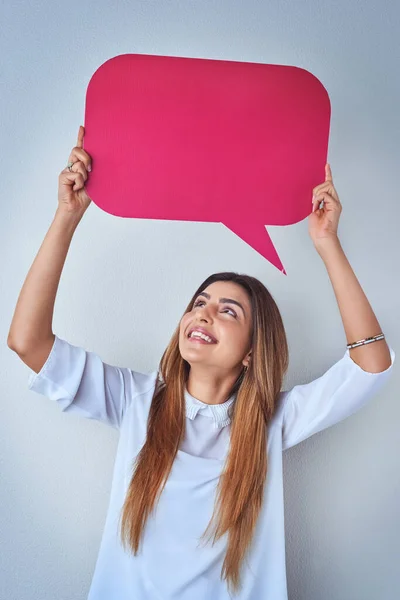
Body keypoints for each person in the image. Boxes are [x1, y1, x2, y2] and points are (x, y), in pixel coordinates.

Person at [7, 125, 395, 600]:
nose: (204, 312)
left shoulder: (272, 421)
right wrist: (67, 216)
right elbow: (27, 341)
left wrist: (328, 244)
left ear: (253, 352)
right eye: (200, 302)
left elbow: (371, 365)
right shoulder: (135, 401)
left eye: (228, 311)